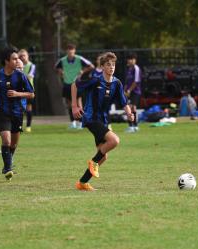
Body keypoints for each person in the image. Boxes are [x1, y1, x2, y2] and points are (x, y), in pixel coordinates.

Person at [71, 52, 133, 191]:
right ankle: (93, 163)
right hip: (91, 118)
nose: (111, 67)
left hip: (103, 120)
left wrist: (129, 113)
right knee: (114, 141)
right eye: (108, 65)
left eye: (113, 65)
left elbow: (124, 101)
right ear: (102, 67)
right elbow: (74, 85)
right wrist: (74, 106)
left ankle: (82, 183)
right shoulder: (96, 80)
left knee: (103, 156)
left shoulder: (117, 83)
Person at [0, 46, 34, 181]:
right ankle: (8, 168)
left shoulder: (20, 75)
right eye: (14, 59)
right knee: (6, 140)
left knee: (13, 144)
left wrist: (17, 94)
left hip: (17, 113)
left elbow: (31, 94)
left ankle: (7, 164)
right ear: (6, 61)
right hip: (2, 113)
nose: (17, 61)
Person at [55, 43, 94, 129]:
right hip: (67, 84)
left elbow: (91, 66)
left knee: (79, 104)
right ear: (66, 51)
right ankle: (73, 122)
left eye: (72, 49)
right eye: (68, 50)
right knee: (70, 104)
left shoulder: (79, 59)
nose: (70, 51)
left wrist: (82, 71)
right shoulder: (62, 60)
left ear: (74, 51)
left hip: (77, 84)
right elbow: (56, 68)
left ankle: (81, 122)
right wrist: (61, 72)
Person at [18, 49, 36, 132]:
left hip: (28, 90)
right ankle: (19, 126)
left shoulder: (31, 65)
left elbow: (30, 76)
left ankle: (28, 126)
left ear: (27, 56)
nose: (22, 57)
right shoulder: (16, 65)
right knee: (19, 109)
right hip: (18, 90)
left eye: (24, 55)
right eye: (20, 56)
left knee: (28, 108)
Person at [124, 53, 142, 133]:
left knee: (132, 107)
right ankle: (133, 126)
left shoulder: (136, 68)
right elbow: (127, 82)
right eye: (129, 59)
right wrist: (124, 90)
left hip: (135, 91)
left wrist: (129, 90)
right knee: (129, 108)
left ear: (135, 60)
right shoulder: (129, 69)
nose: (130, 61)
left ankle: (133, 126)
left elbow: (136, 81)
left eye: (132, 59)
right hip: (128, 92)